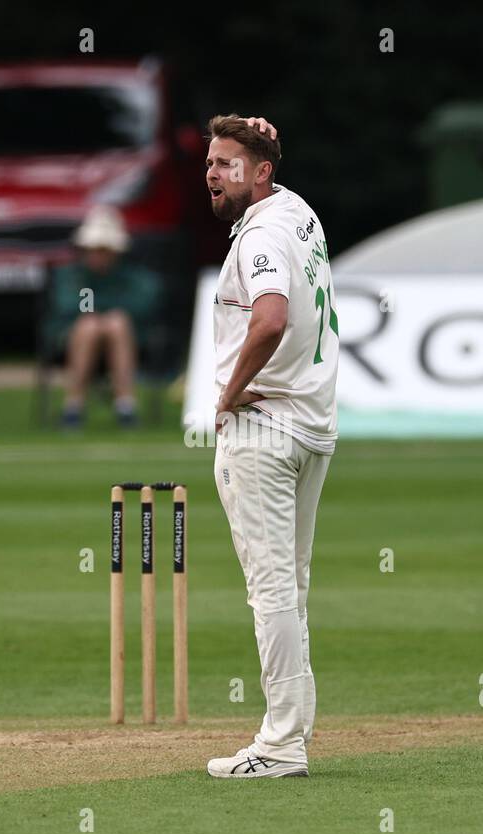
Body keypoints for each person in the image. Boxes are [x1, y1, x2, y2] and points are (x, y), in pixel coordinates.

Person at [203, 114, 339, 779]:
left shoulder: (259, 234)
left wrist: (228, 392)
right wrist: (258, 140)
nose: (212, 173)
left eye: (227, 163)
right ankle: (297, 729)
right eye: (209, 163)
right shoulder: (298, 212)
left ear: (260, 173)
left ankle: (282, 744)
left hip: (264, 433)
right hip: (311, 426)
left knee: (272, 589)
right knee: (292, 585)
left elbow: (272, 316)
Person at [43, 206, 162, 428]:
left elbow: (145, 303)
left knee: (117, 323)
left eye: (104, 249)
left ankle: (125, 405)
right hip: (71, 339)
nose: (98, 255)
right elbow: (72, 306)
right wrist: (104, 312)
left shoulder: (132, 276)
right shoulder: (73, 275)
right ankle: (73, 406)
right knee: (90, 324)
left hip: (127, 339)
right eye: (94, 249)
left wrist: (107, 313)